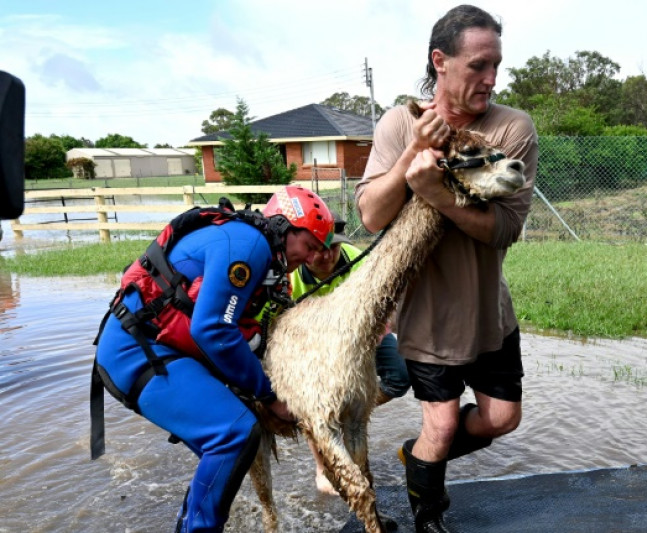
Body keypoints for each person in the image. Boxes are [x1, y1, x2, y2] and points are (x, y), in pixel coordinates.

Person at [354, 5, 538, 532]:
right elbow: (370, 215)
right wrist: (414, 151)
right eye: (478, 65)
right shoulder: (398, 123)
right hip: (427, 316)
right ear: (441, 61)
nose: (491, 78)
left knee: (502, 418)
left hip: (487, 311)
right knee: (438, 424)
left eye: (496, 65)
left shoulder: (512, 128)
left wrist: (436, 192)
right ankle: (429, 517)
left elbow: (505, 227)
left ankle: (417, 461)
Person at [91, 185, 334, 532]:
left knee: (228, 451)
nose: (311, 258)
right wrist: (269, 395)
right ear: (282, 226)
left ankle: (190, 525)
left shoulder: (258, 252)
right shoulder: (249, 245)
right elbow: (214, 330)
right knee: (233, 431)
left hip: (156, 348)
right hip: (135, 353)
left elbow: (240, 333)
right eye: (309, 245)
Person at [284, 211, 411, 495]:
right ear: (307, 250)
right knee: (316, 404)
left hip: (363, 337)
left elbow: (381, 316)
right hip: (314, 344)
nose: (328, 255)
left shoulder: (358, 260)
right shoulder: (291, 276)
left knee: (401, 375)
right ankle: (321, 466)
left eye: (335, 247)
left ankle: (349, 415)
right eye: (320, 249)